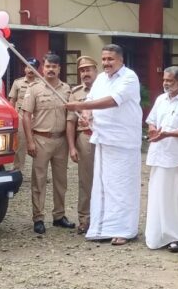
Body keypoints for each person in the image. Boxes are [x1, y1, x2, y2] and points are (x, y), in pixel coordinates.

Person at [65, 44, 143, 246]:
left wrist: (80, 105)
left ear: (120, 60)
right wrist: (86, 115)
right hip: (103, 140)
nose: (107, 63)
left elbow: (111, 101)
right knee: (104, 186)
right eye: (104, 59)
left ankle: (125, 230)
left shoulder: (129, 77)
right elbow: (92, 100)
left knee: (122, 187)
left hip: (123, 143)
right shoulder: (100, 79)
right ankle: (103, 228)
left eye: (111, 59)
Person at [22, 53, 73, 234]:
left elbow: (71, 117)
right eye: (48, 66)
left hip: (61, 141)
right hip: (41, 139)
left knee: (61, 181)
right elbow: (26, 115)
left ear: (60, 69)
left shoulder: (67, 89)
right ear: (43, 68)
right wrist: (29, 141)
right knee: (39, 181)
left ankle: (59, 215)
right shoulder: (34, 88)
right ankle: (38, 218)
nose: (50, 70)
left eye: (54, 67)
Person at [144, 67, 178, 251]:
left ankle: (177, 238)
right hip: (159, 155)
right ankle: (156, 236)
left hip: (177, 157)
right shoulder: (160, 100)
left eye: (170, 81)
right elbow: (152, 120)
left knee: (176, 198)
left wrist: (167, 134)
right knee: (157, 196)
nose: (165, 83)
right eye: (164, 80)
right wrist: (152, 129)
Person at [66, 56, 99, 235]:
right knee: (86, 181)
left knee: (106, 179)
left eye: (88, 69)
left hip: (105, 138)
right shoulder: (76, 93)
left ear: (96, 70)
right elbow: (70, 122)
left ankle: (104, 218)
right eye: (82, 70)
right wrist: (72, 147)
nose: (85, 73)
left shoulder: (104, 89)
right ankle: (85, 219)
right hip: (85, 139)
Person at [8, 58, 40, 170]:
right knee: (20, 144)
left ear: (37, 69)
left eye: (33, 67)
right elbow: (12, 100)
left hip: (37, 118)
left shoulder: (42, 83)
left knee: (39, 145)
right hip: (21, 116)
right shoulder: (18, 82)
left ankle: (39, 170)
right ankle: (18, 169)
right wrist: (12, 117)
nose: (30, 70)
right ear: (25, 68)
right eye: (28, 67)